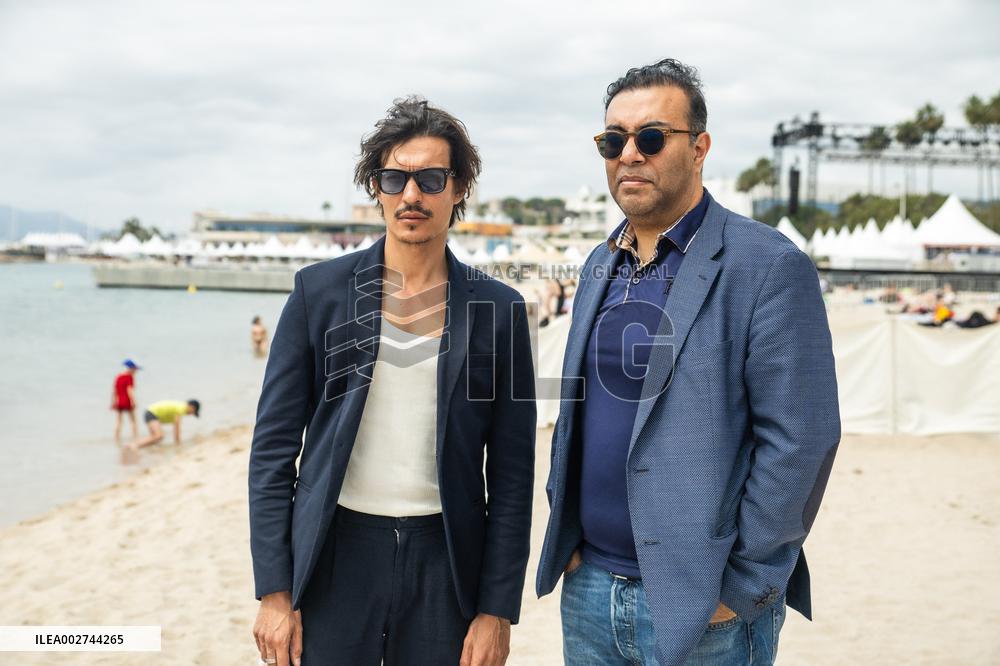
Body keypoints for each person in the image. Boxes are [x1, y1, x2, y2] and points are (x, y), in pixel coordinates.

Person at [536, 58, 841, 666]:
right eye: (613, 140)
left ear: (699, 148)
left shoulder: (767, 265)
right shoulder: (600, 263)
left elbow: (802, 438)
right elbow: (580, 412)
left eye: (651, 137)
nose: (629, 154)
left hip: (703, 606)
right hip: (590, 587)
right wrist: (568, 535)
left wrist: (742, 586)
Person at [249, 97, 536, 666]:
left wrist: (497, 610)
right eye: (394, 178)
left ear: (457, 189)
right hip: (335, 552)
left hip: (447, 559)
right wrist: (275, 591)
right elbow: (273, 451)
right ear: (375, 188)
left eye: (430, 179)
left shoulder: (499, 310)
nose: (411, 195)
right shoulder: (318, 293)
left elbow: (512, 475)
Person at [130, 399, 200, 449]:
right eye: (193, 412)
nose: (191, 414)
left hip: (151, 413)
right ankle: (134, 445)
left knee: (156, 438)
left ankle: (144, 449)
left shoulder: (181, 407)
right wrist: (178, 444)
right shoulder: (182, 408)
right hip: (152, 413)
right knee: (159, 436)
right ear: (192, 407)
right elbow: (176, 428)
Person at [111, 359, 140, 443]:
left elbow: (114, 391)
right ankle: (135, 438)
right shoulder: (129, 377)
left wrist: (113, 402)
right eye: (135, 369)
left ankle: (116, 439)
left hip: (119, 402)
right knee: (133, 421)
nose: (136, 372)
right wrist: (133, 401)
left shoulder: (118, 377)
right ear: (131, 369)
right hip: (127, 401)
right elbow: (129, 390)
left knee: (119, 422)